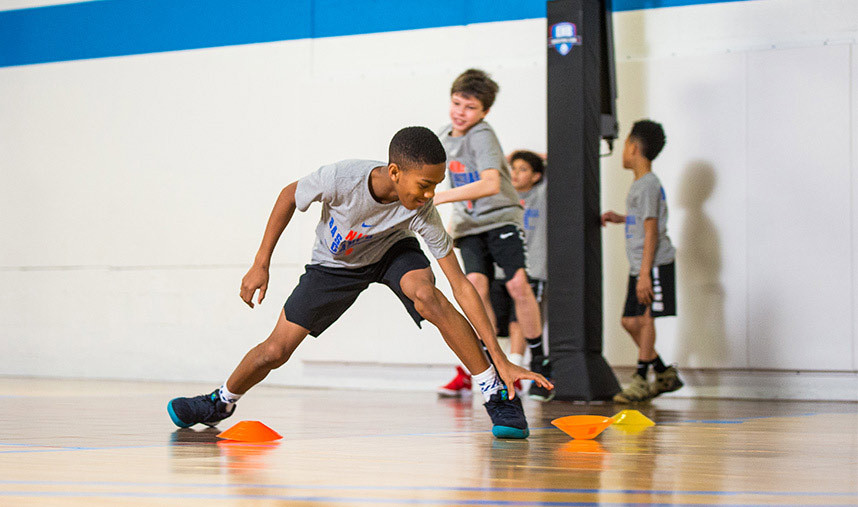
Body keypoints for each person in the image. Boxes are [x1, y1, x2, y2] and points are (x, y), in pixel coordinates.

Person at [167, 126, 552, 439]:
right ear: (396, 171)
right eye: (425, 184)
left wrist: (499, 360)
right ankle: (221, 401)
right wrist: (260, 263)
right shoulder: (342, 178)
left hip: (392, 253)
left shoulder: (421, 210)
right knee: (275, 351)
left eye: (437, 184)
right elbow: (288, 195)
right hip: (334, 265)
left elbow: (462, 286)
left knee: (427, 296)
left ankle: (494, 390)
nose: (431, 194)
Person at [433, 69, 554, 401]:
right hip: (469, 226)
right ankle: (489, 357)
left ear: (484, 112)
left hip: (500, 219)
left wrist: (439, 197)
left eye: (470, 108)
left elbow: (490, 183)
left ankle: (540, 355)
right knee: (476, 286)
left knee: (516, 284)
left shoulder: (482, 135)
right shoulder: (444, 135)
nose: (461, 112)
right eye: (457, 103)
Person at [601, 119, 684, 403]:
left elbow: (652, 230)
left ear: (634, 148)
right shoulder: (641, 185)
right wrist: (621, 218)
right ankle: (663, 373)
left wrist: (646, 274)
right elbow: (643, 220)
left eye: (625, 144)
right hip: (641, 266)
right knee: (629, 320)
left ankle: (640, 379)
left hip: (654, 265)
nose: (623, 151)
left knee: (646, 320)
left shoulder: (648, 184)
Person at [488, 150, 552, 401]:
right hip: (500, 269)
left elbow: (560, 169)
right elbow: (497, 165)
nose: (515, 173)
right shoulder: (503, 194)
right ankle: (502, 368)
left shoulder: (541, 195)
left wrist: (539, 157)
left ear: (537, 176)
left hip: (531, 269)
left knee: (520, 320)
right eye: (513, 168)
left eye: (523, 169)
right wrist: (511, 159)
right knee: (496, 323)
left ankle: (516, 369)